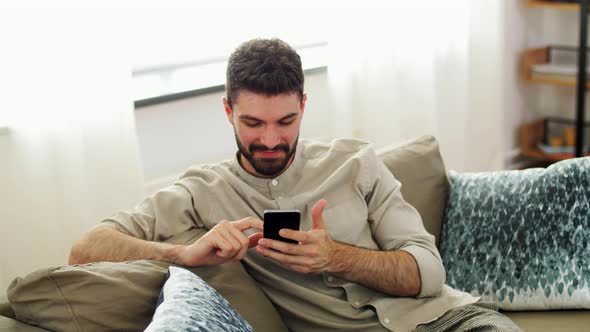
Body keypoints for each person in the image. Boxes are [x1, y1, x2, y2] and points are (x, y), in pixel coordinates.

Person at [69, 38, 521, 332]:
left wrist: (337, 257)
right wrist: (181, 254)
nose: (269, 140)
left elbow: (429, 273)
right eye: (252, 123)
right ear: (227, 111)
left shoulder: (355, 162)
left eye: (286, 121)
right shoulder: (202, 190)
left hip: (447, 321)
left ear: (304, 106)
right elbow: (87, 248)